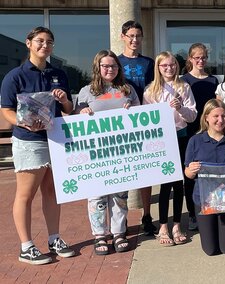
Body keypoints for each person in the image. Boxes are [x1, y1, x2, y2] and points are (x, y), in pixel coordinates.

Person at [0, 26, 75, 265]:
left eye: (49, 42)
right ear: (29, 43)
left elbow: (68, 109)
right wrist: (23, 123)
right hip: (29, 141)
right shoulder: (15, 76)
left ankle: (54, 238)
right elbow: (6, 110)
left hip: (55, 139)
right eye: (40, 41)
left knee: (52, 191)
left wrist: (64, 101)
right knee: (26, 194)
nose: (45, 45)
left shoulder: (59, 74)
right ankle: (26, 246)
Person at [75, 50, 140, 255]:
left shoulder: (127, 90)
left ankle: (119, 232)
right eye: (105, 66)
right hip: (96, 153)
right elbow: (75, 116)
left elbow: (141, 115)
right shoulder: (87, 91)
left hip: (121, 151)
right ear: (98, 67)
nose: (109, 69)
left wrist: (133, 109)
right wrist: (82, 112)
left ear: (118, 68)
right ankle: (99, 235)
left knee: (120, 195)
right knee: (97, 196)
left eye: (113, 66)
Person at [143, 51, 197, 246]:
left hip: (181, 137)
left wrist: (180, 107)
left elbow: (192, 116)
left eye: (172, 65)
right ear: (158, 68)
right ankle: (163, 225)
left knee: (178, 183)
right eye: (164, 65)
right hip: (162, 141)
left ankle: (176, 225)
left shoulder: (184, 87)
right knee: (165, 184)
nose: (169, 68)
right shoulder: (150, 91)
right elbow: (145, 121)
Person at [184, 99, 225, 255]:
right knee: (210, 250)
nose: (220, 120)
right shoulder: (195, 141)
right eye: (216, 116)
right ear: (206, 118)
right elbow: (188, 174)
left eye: (224, 116)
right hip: (204, 200)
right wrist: (191, 170)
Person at [118, 20, 156, 235]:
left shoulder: (149, 63)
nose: (134, 40)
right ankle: (120, 219)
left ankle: (146, 215)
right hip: (122, 122)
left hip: (144, 121)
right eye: (130, 35)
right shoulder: (115, 61)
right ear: (123, 36)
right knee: (123, 172)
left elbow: (154, 90)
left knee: (146, 173)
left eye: (138, 36)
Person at [181, 43, 219, 231]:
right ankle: (192, 214)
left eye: (203, 57)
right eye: (196, 57)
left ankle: (212, 205)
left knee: (210, 172)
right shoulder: (184, 80)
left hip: (209, 132)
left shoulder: (213, 81)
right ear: (190, 59)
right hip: (190, 132)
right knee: (191, 174)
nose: (200, 60)